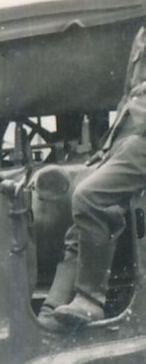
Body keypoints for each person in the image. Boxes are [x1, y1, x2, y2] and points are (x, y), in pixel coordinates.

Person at [41, 24, 146, 328]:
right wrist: (109, 145)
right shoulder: (142, 32)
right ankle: (53, 308)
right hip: (133, 136)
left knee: (90, 196)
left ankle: (90, 300)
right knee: (80, 200)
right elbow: (130, 96)